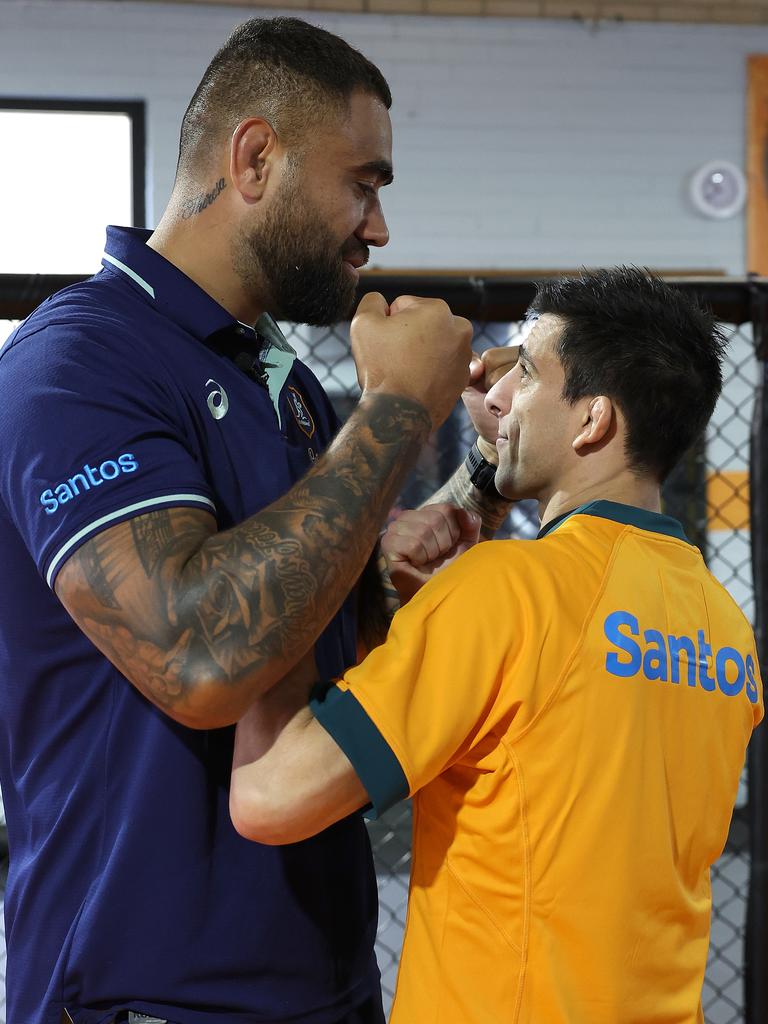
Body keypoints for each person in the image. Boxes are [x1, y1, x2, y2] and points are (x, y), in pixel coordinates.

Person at [0, 17, 514, 1024]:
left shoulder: (281, 385)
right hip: (141, 994)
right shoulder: (78, 367)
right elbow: (198, 658)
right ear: (255, 156)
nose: (377, 230)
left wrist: (418, 534)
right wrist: (396, 411)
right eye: (362, 184)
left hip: (318, 979)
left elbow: (301, 636)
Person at [230, 267, 764, 1024]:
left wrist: (289, 590)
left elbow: (269, 799)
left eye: (527, 373)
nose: (501, 395)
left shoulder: (508, 590)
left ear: (592, 422)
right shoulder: (721, 626)